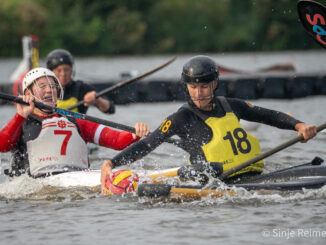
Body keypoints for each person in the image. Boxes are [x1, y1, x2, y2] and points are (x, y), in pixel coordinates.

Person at [100, 55, 317, 194]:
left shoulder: (232, 105)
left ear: (214, 84)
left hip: (254, 175)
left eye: (203, 87)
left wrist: (299, 126)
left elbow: (268, 115)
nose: (198, 93)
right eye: (193, 88)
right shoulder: (180, 118)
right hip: (218, 183)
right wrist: (111, 163)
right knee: (203, 169)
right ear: (187, 87)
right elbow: (148, 143)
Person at [0, 67, 149, 178]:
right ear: (28, 94)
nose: (49, 91)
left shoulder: (77, 121)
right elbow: (2, 146)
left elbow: (117, 141)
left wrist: (135, 133)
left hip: (77, 178)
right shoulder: (22, 124)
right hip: (34, 185)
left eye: (53, 87)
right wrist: (20, 116)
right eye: (42, 87)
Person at [46, 49, 114, 114]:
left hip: (76, 125)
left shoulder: (81, 88)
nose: (63, 74)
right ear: (51, 72)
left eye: (67, 70)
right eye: (59, 70)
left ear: (72, 70)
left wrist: (98, 100)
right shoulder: (43, 90)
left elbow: (111, 109)